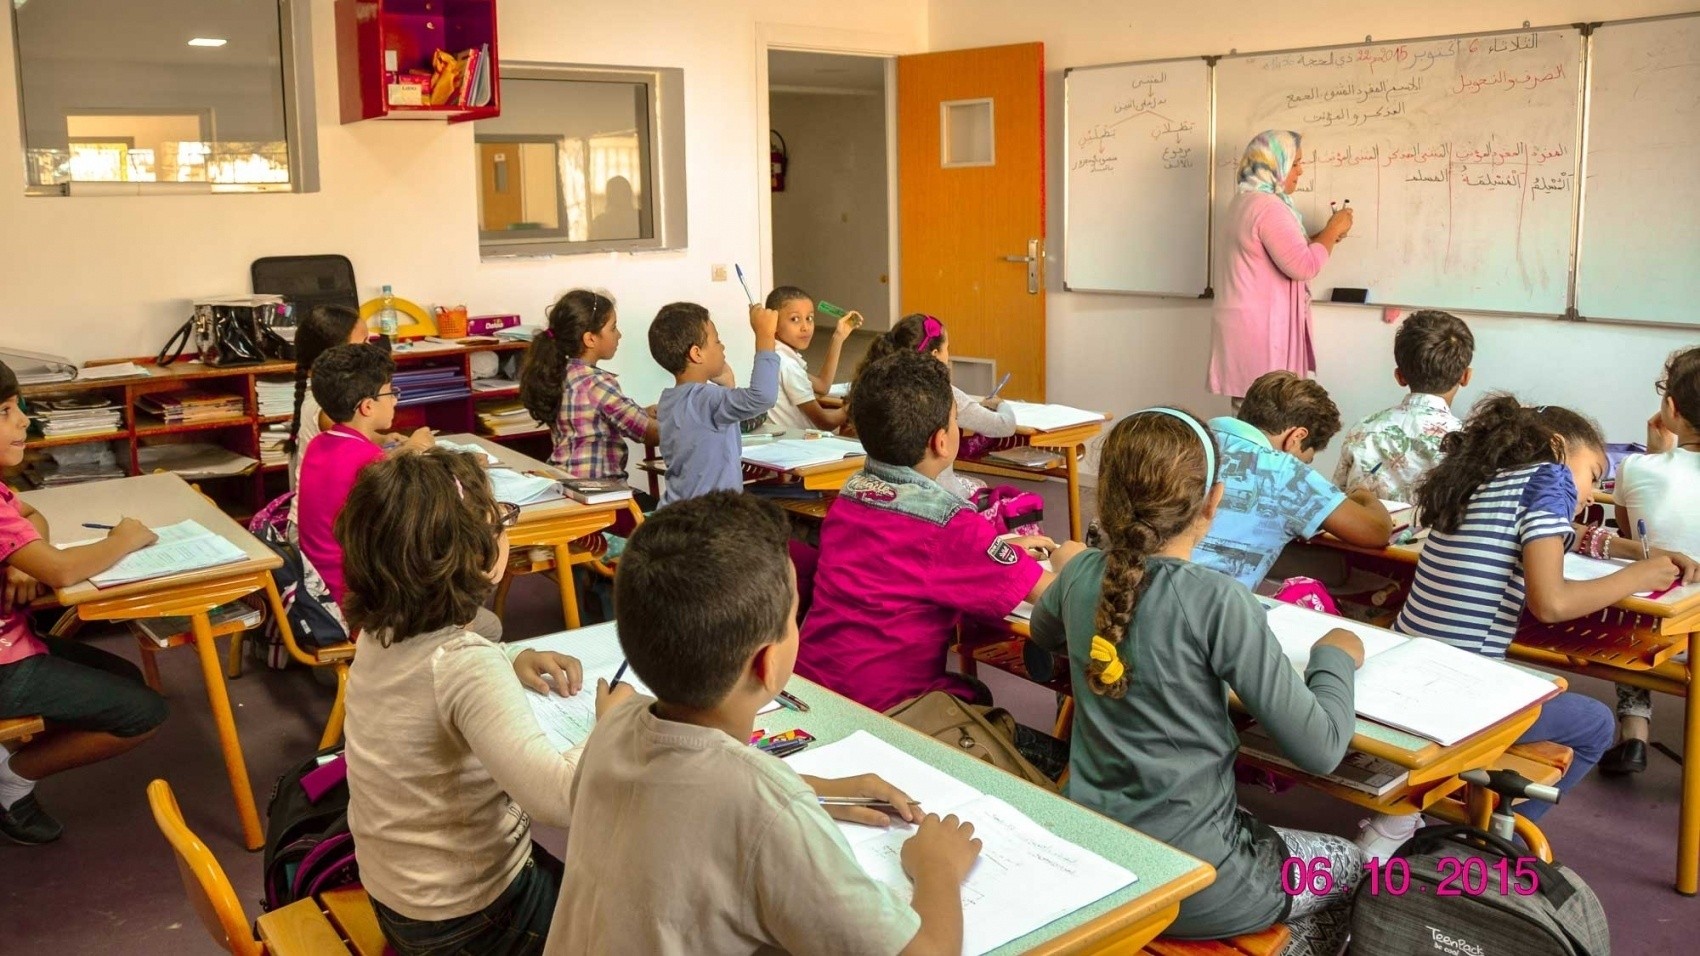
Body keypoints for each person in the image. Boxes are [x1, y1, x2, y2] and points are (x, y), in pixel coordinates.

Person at [547, 491, 982, 955]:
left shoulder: (615, 726)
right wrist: (937, 869)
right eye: (796, 617)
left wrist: (814, 789)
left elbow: (690, 786)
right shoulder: (767, 812)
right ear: (768, 663)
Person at [1029, 408, 1363, 955]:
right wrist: (1335, 657)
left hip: (1090, 851)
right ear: (1213, 502)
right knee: (1354, 867)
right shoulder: (1219, 599)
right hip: (1195, 882)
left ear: (1104, 498)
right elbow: (1322, 749)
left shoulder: (1082, 576)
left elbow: (1044, 633)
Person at [1361, 397, 1700, 855]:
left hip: (1404, 666)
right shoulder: (1551, 478)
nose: (1587, 496)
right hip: (1449, 691)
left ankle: (1437, 815)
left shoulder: (1483, 479)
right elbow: (1552, 603)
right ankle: (1477, 840)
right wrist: (1639, 576)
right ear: (1558, 448)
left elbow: (1567, 534)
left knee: (1534, 685)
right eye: (1593, 476)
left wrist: (1631, 551)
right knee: (1596, 724)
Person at [342, 450, 592, 956]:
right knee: (618, 914)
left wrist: (508, 656)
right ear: (472, 553)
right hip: (472, 918)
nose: (507, 527)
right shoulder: (462, 664)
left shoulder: (381, 631)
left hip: (401, 897)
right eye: (501, 518)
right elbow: (560, 798)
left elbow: (430, 682)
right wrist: (614, 728)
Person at [797, 350, 1079, 715]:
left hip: (813, 688)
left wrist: (999, 546)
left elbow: (911, 558)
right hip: (885, 709)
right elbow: (1053, 596)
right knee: (977, 699)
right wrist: (1070, 559)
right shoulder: (951, 527)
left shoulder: (853, 494)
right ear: (941, 441)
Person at [0, 361, 166, 845]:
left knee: (126, 681)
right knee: (144, 714)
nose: (23, 421)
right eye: (7, 411)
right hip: (6, 667)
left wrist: (17, 561)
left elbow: (30, 512)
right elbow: (65, 571)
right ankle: (12, 779)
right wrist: (125, 538)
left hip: (16, 643)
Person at [1193, 371, 1393, 589]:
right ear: (1296, 436)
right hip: (1210, 609)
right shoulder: (1284, 471)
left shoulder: (1186, 439)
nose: (1303, 466)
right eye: (1306, 459)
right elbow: (1376, 532)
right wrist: (1363, 494)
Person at [1603, 346, 1700, 775]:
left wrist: (1659, 455)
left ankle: (1635, 733)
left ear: (1672, 408)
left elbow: (1629, 537)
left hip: (1653, 623)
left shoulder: (1636, 467)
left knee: (1636, 589)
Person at [1209, 130, 1354, 403]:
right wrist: (1333, 230)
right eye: (1295, 162)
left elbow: (1283, 253)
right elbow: (1302, 265)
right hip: (1261, 331)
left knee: (1249, 417)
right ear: (1275, 165)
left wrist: (1326, 236)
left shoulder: (1245, 201)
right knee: (1266, 419)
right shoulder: (1268, 207)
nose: (1300, 170)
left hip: (1248, 328)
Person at [296, 344, 432, 607]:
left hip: (320, 591)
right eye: (391, 393)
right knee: (484, 621)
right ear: (368, 406)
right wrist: (415, 448)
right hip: (358, 602)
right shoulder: (368, 461)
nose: (395, 400)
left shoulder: (320, 444)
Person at [852, 314, 1018, 500]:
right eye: (947, 349)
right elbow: (1005, 425)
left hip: (886, 492)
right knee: (981, 487)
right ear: (935, 355)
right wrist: (1000, 404)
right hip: (940, 494)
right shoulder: (947, 394)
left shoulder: (875, 387)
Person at [518, 290, 657, 490]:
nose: (619, 335)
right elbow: (649, 433)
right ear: (590, 339)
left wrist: (642, 412)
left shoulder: (561, 373)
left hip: (565, 484)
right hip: (598, 491)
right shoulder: (596, 383)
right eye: (613, 328)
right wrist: (685, 419)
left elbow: (594, 419)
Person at [1333, 310, 1474, 504]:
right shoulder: (1468, 441)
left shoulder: (1363, 429)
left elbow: (1338, 500)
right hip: (1433, 535)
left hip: (1364, 532)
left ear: (1399, 376)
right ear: (1466, 376)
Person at [649, 301, 779, 506]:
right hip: (707, 521)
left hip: (678, 513)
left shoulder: (670, 399)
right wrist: (765, 336)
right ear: (696, 354)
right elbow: (763, 396)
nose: (723, 346)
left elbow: (723, 444)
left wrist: (728, 385)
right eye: (717, 341)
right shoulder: (705, 399)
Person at [286, 304, 371, 491]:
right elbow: (363, 453)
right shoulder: (327, 408)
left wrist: (383, 438)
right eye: (364, 343)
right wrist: (412, 447)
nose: (371, 349)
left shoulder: (329, 394)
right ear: (335, 355)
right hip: (322, 517)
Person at [762, 285, 861, 433]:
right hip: (799, 446)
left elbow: (822, 386)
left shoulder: (776, 356)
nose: (805, 327)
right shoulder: (787, 365)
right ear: (773, 323)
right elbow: (825, 422)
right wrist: (857, 403)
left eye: (809, 318)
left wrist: (839, 337)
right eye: (795, 319)